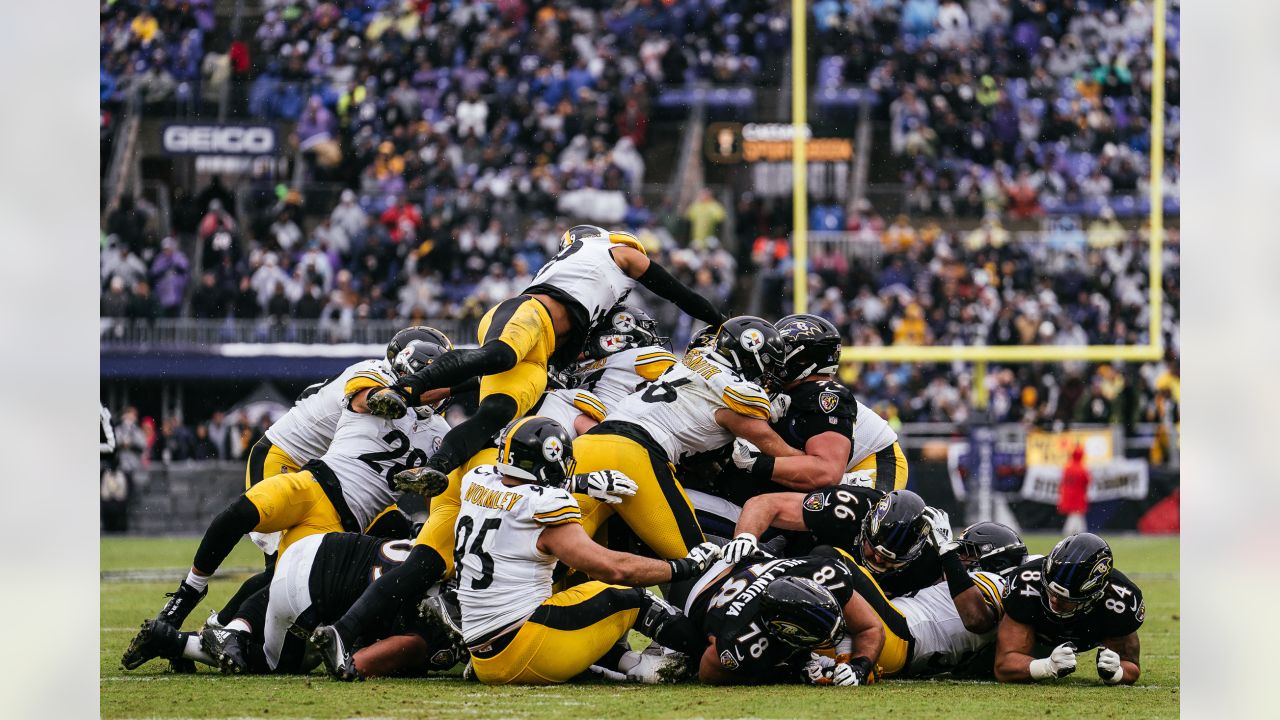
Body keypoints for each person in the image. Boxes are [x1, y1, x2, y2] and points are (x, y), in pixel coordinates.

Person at [122, 336, 454, 672]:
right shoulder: (372, 374)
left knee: (286, 578)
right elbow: (374, 400)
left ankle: (209, 635)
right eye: (436, 377)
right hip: (297, 465)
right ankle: (189, 603)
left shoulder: (440, 432)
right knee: (244, 519)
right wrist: (436, 386)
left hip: (339, 506)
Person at [316, 417, 718, 684]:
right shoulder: (545, 508)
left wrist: (580, 485)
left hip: (484, 649)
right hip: (525, 643)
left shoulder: (480, 480)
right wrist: (682, 566)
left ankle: (623, 664)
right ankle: (709, 658)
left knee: (577, 593)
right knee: (629, 598)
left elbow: (520, 491)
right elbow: (613, 568)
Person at [366, 225, 726, 498]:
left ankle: (434, 468)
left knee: (494, 414)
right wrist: (721, 322)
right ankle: (403, 388)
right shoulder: (618, 251)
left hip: (543, 355)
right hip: (529, 314)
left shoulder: (583, 277)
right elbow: (677, 292)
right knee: (499, 355)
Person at [121, 532, 460, 678]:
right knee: (276, 663)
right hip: (312, 592)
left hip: (314, 547)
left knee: (268, 625)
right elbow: (355, 663)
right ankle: (175, 642)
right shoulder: (435, 630)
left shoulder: (440, 551)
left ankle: (227, 632)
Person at [731, 315, 908, 494]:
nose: (774, 359)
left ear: (803, 359)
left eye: (782, 352)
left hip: (874, 462)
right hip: (833, 463)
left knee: (845, 511)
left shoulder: (823, 394)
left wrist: (761, 464)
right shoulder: (795, 389)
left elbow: (824, 471)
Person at [667, 552, 891, 686]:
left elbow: (871, 628)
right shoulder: (745, 637)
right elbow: (708, 670)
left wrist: (861, 668)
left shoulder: (824, 575)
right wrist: (787, 671)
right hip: (691, 590)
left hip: (738, 559)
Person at [994, 533, 1144, 685]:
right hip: (1036, 636)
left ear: (1095, 596)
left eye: (1065, 599)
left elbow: (1131, 666)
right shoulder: (1026, 584)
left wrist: (1117, 673)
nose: (1053, 600)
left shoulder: (1120, 601)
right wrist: (1046, 667)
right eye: (1050, 591)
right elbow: (1004, 665)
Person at [1058, 445, 1090, 535]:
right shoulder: (1081, 469)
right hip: (1077, 496)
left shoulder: (1067, 467)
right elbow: (1087, 481)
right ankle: (1073, 535)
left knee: (1076, 516)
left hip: (1067, 495)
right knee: (1075, 515)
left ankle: (1080, 534)